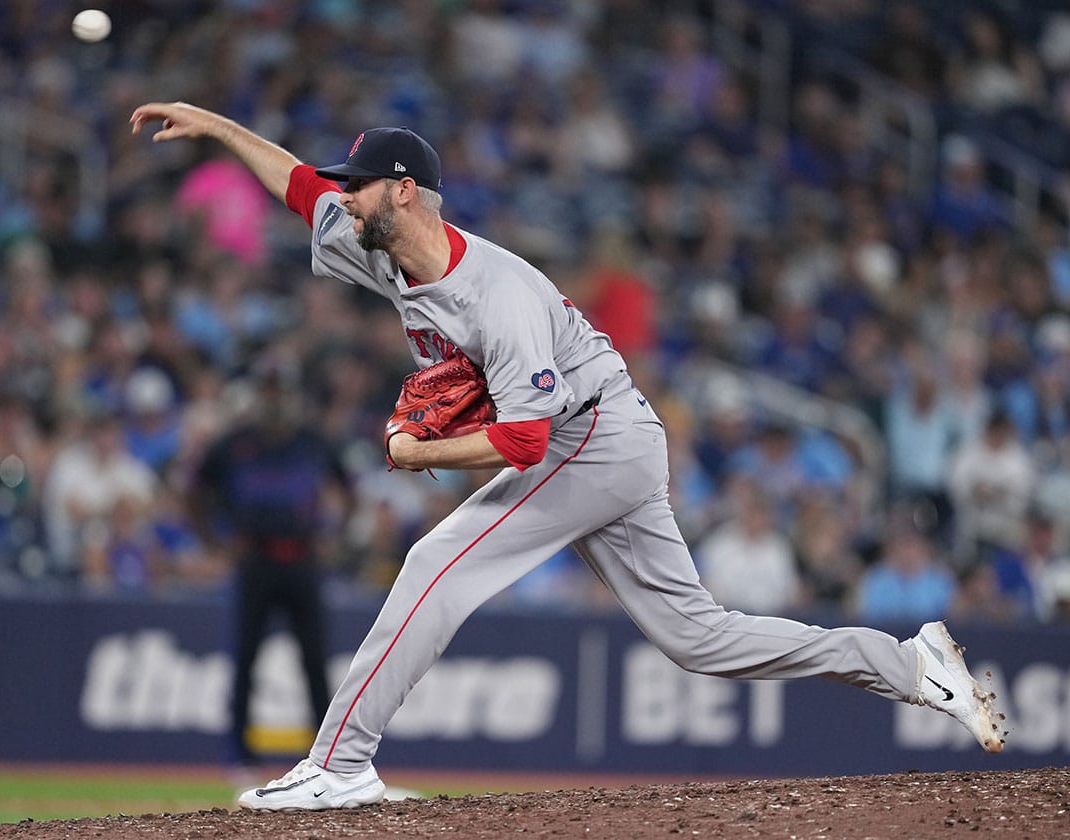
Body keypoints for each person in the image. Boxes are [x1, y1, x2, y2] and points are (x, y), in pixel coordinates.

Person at [130, 102, 1006, 811]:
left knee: (437, 560)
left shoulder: (495, 295)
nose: (343, 198)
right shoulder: (386, 255)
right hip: (610, 435)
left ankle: (339, 763)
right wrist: (214, 125)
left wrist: (415, 451)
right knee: (699, 639)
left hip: (592, 438)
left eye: (359, 187)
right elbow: (296, 185)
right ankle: (910, 664)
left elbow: (525, 442)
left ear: (403, 192)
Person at [189, 358, 349, 770]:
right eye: (269, 391)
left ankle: (324, 755)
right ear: (260, 395)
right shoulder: (235, 443)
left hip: (301, 561)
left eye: (280, 391)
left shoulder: (312, 441)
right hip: (256, 562)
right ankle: (240, 754)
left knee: (314, 661)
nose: (275, 399)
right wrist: (216, 542)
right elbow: (195, 493)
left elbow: (348, 489)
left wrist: (335, 535)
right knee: (246, 659)